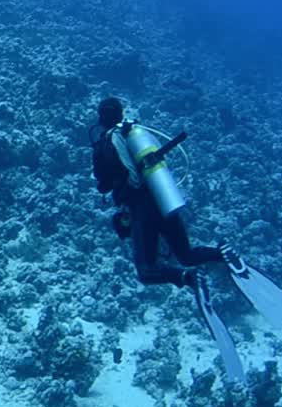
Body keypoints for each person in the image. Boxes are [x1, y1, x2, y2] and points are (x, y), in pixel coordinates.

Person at [90, 97, 236, 289]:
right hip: (163, 196)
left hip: (141, 208)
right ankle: (222, 253)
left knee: (146, 271)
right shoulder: (135, 133)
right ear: (121, 113)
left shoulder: (104, 145)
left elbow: (103, 186)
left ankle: (187, 278)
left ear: (101, 118)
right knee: (186, 254)